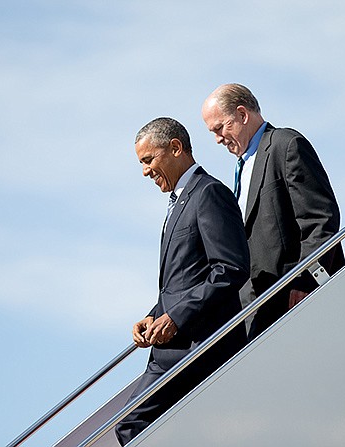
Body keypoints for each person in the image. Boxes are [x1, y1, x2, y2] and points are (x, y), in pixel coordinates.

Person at [115, 117, 249, 445]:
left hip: (198, 344)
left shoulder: (208, 193)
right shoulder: (179, 201)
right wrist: (154, 313)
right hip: (172, 346)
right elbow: (184, 279)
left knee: (132, 425)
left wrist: (176, 317)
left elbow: (230, 268)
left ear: (175, 148)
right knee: (132, 425)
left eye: (148, 160)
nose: (145, 171)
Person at [201, 83, 345, 341]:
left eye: (220, 128)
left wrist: (305, 284)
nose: (218, 139)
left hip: (294, 302)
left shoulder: (285, 145)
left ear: (242, 115)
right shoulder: (242, 168)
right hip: (257, 312)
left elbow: (320, 220)